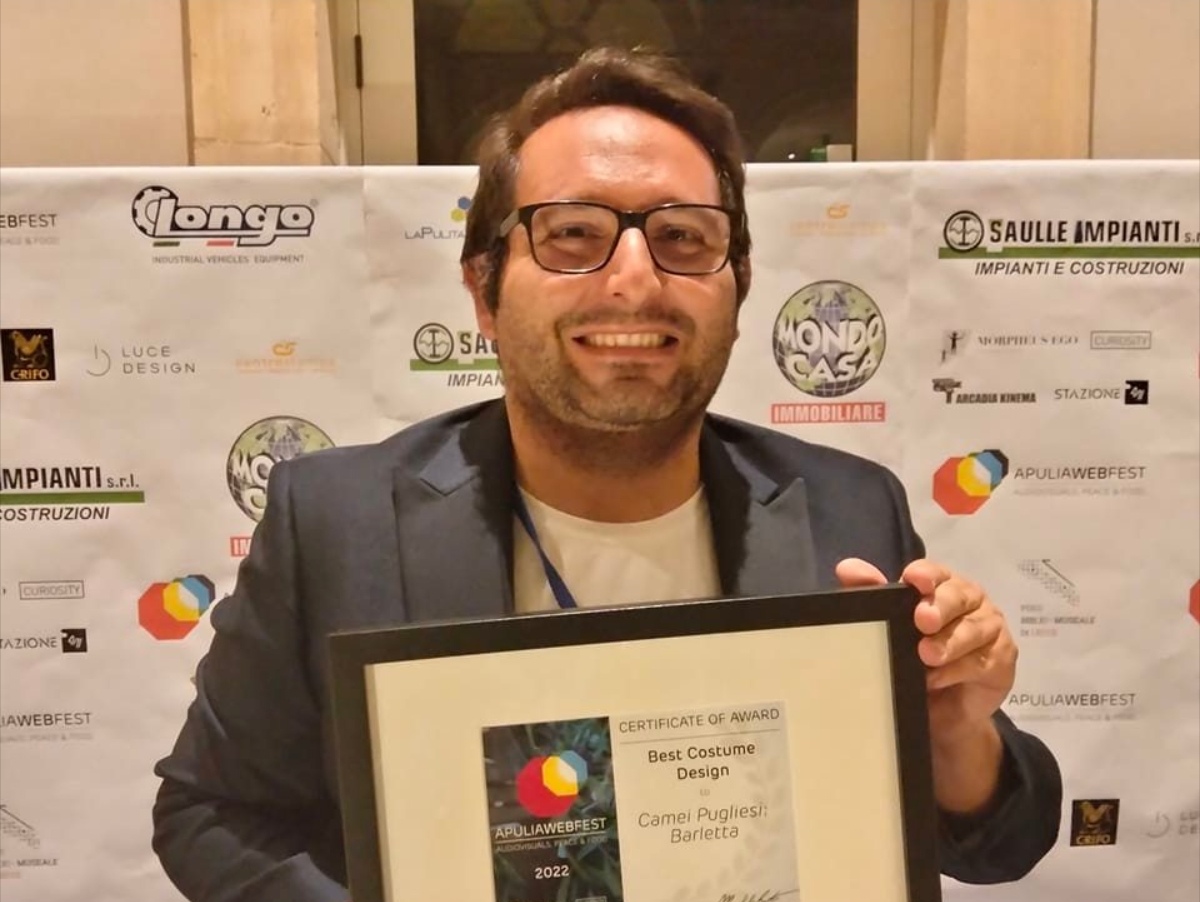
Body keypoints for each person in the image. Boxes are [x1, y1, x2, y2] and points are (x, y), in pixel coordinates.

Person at [153, 47, 1062, 902]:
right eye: (574, 234)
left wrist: (958, 736)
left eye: (684, 237)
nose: (634, 280)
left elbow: (1002, 841)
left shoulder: (848, 507)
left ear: (739, 286)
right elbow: (211, 816)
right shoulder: (335, 522)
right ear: (483, 291)